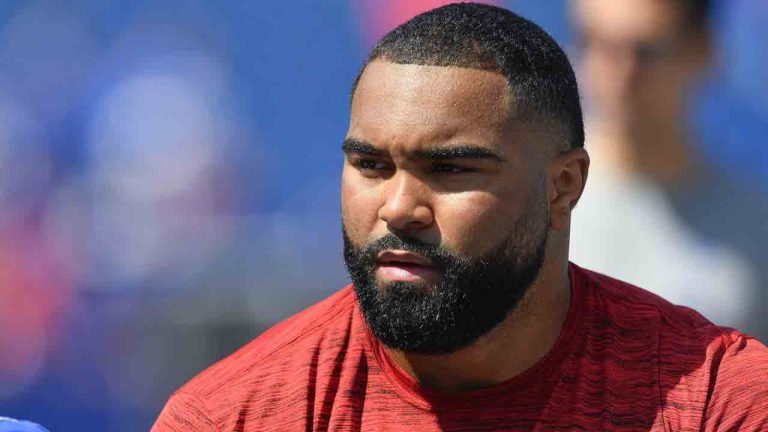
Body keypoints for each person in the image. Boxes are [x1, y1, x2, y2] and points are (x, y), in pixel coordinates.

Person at [152, 3, 768, 431]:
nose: (398, 208)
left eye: (451, 170)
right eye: (370, 165)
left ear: (562, 187)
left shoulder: (718, 402)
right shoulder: (234, 415)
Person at [569, 0, 768, 338]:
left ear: (704, 51)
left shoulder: (756, 228)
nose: (619, 74)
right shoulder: (523, 201)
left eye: (645, 52)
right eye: (597, 43)